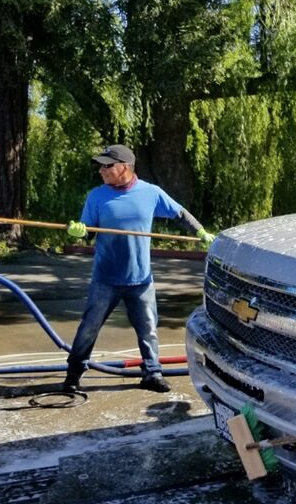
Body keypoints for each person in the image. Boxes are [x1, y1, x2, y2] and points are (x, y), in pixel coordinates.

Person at [62, 144, 214, 395]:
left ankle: (152, 373)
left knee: (148, 328)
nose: (102, 170)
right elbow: (87, 231)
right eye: (101, 166)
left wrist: (199, 231)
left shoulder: (150, 193)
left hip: (140, 279)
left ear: (125, 167)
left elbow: (180, 213)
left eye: (107, 166)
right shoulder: (97, 196)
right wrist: (79, 231)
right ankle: (73, 375)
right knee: (88, 327)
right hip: (105, 279)